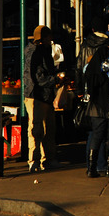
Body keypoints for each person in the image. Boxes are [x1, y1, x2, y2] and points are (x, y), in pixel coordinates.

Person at [24, 25, 64, 172]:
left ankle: (46, 159)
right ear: (43, 38)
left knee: (47, 129)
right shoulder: (35, 53)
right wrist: (56, 79)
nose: (51, 40)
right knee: (37, 130)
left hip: (43, 95)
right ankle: (35, 161)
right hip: (37, 95)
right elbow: (38, 78)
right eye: (49, 37)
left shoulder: (39, 50)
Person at [75, 17, 109, 176]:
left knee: (94, 130)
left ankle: (91, 165)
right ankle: (102, 165)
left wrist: (79, 89)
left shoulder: (85, 45)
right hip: (105, 91)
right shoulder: (107, 44)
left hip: (88, 90)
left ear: (92, 29)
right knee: (105, 129)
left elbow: (78, 67)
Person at [83, 21, 109, 178]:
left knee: (97, 134)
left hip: (96, 104)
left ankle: (91, 169)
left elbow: (89, 79)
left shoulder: (96, 61)